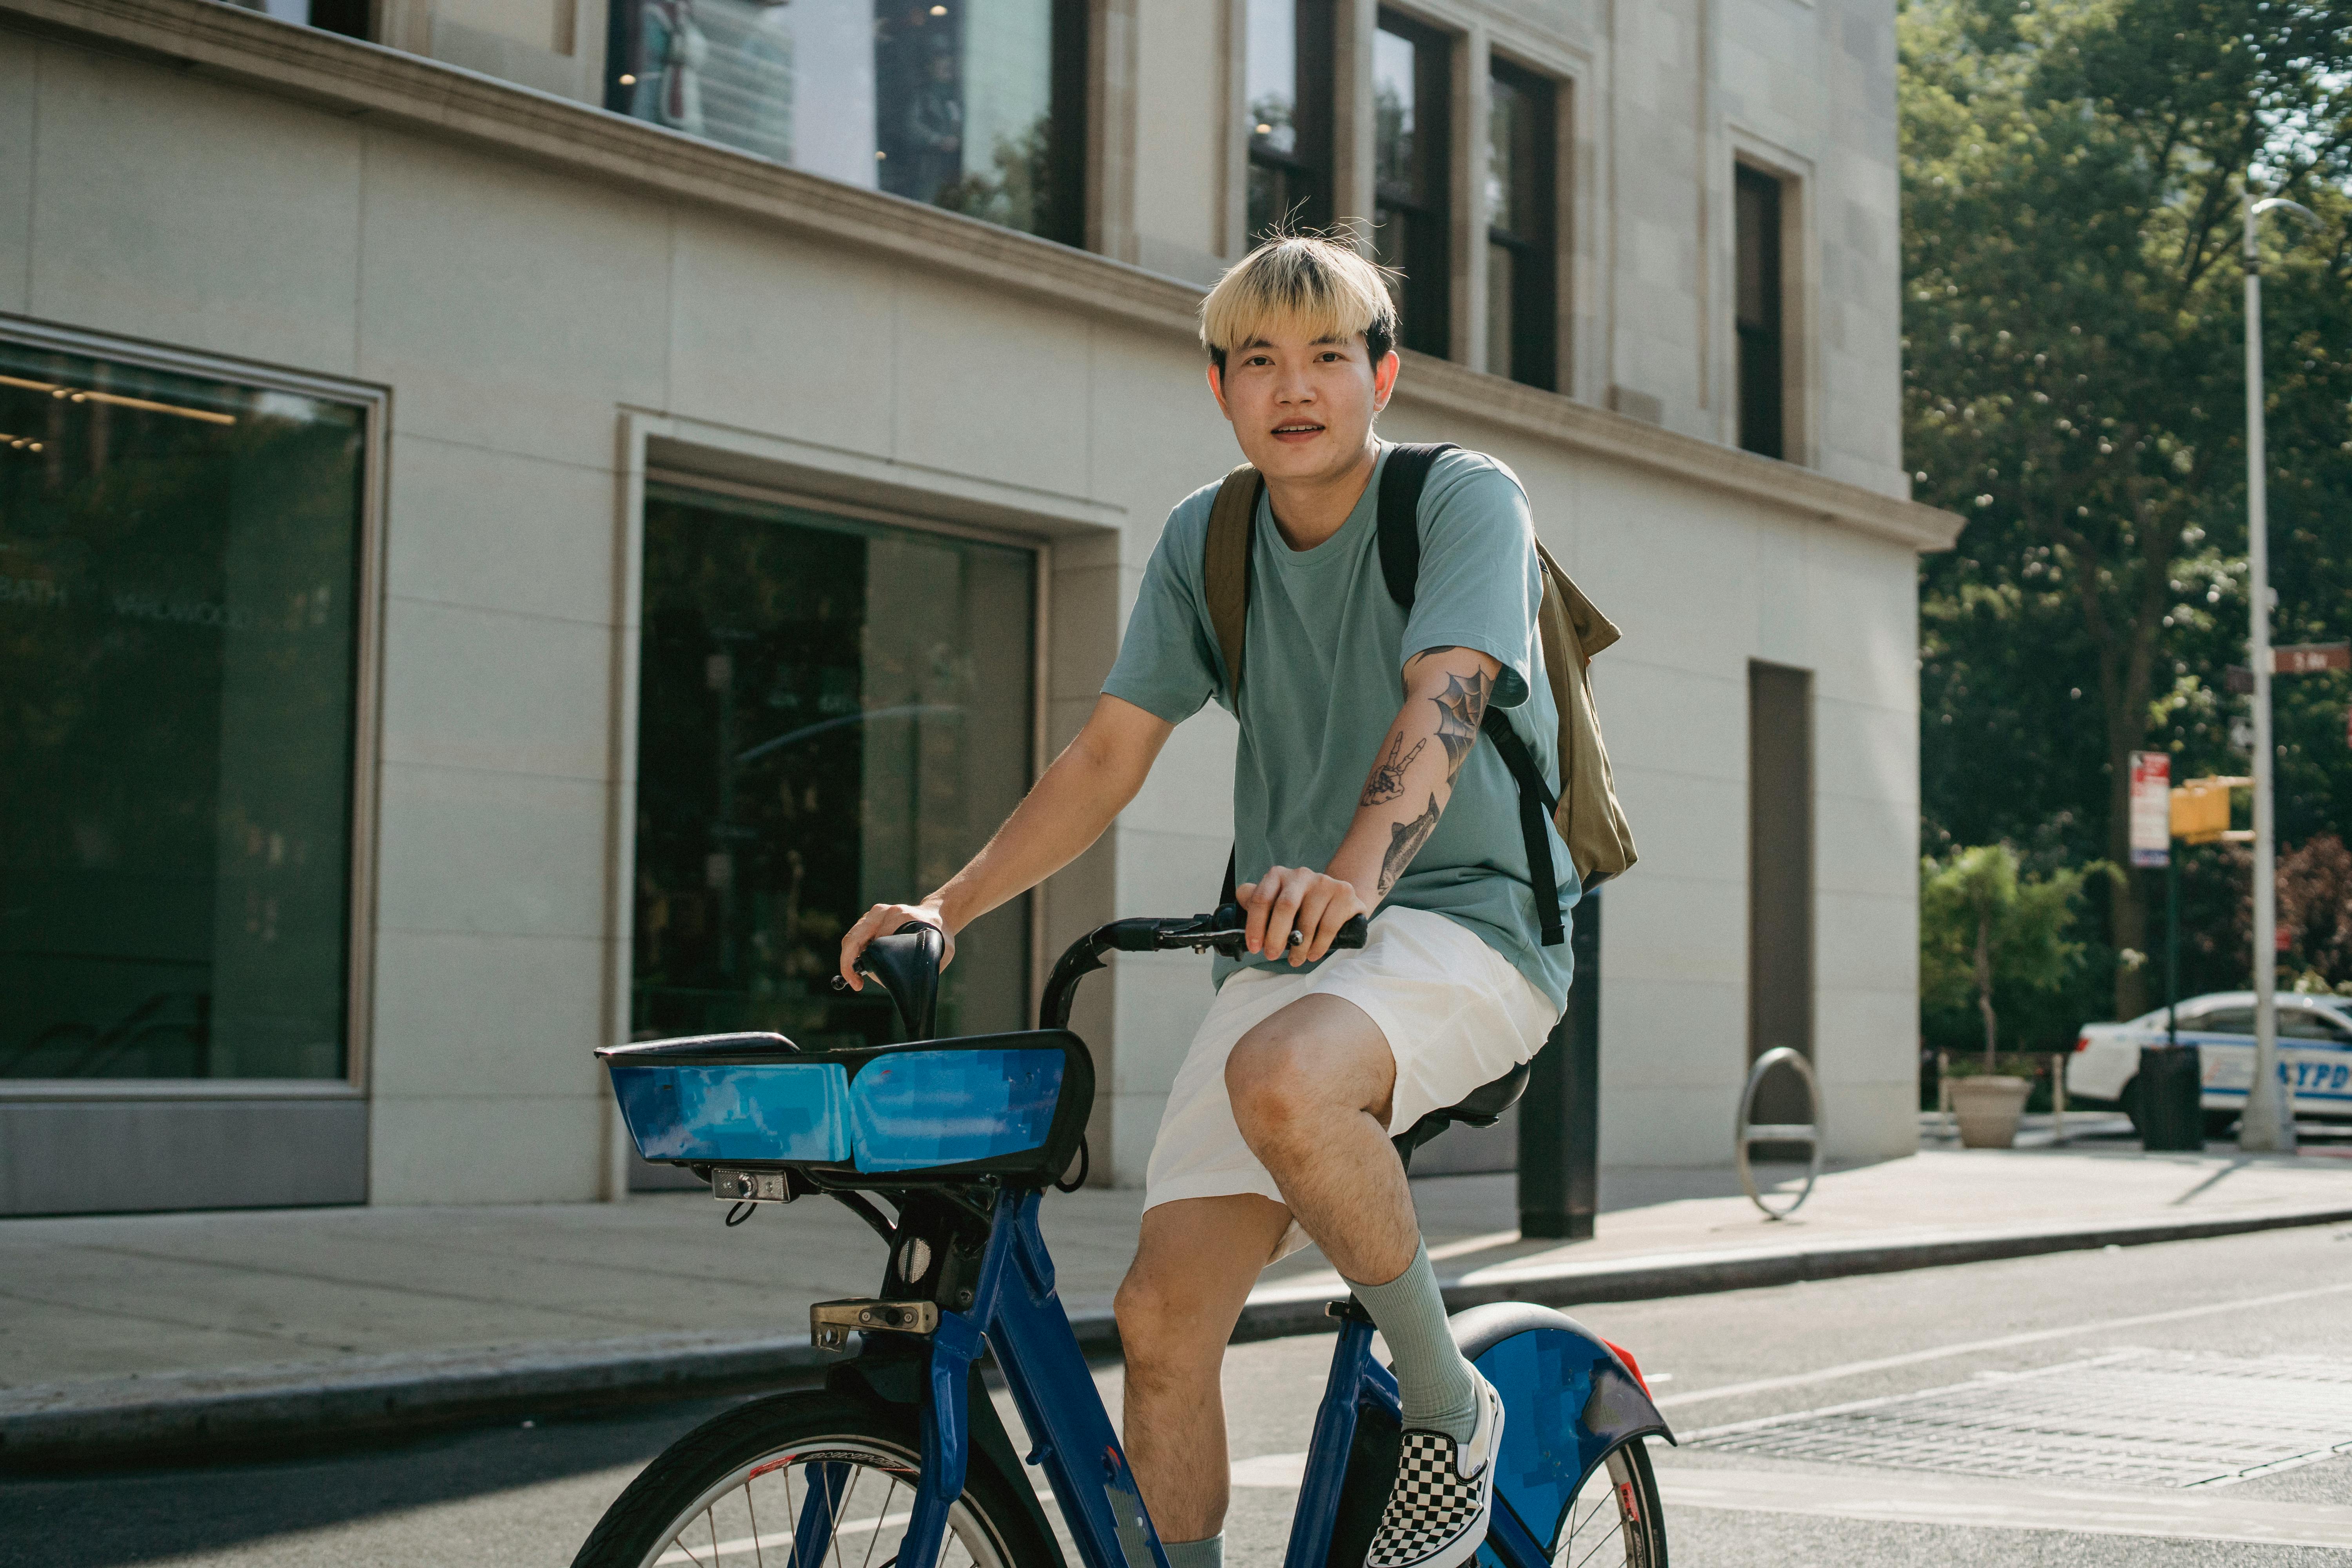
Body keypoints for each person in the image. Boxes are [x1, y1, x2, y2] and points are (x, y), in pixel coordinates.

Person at [838, 232, 1576, 1568]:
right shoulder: (1209, 537)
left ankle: (1446, 1403)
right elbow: (1111, 750)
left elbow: (1449, 697)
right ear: (1222, 391)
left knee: (1284, 1077)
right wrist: (947, 903)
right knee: (1163, 1326)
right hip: (1296, 942)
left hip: (1473, 926)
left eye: (1327, 358)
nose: (1295, 388)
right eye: (1258, 362)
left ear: (1382, 377)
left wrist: (1352, 879)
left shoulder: (1464, 499)